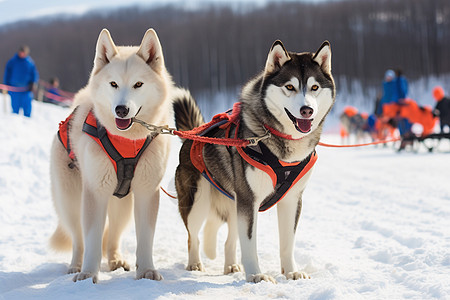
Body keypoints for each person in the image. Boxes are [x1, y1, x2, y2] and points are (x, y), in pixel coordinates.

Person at [3, 45, 39, 117]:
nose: (22, 54)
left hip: (26, 90)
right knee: (15, 110)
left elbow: (34, 74)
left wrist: (33, 83)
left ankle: (27, 124)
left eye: (24, 52)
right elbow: (7, 74)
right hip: (14, 89)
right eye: (21, 52)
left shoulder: (30, 63)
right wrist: (6, 85)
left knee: (27, 110)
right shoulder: (12, 62)